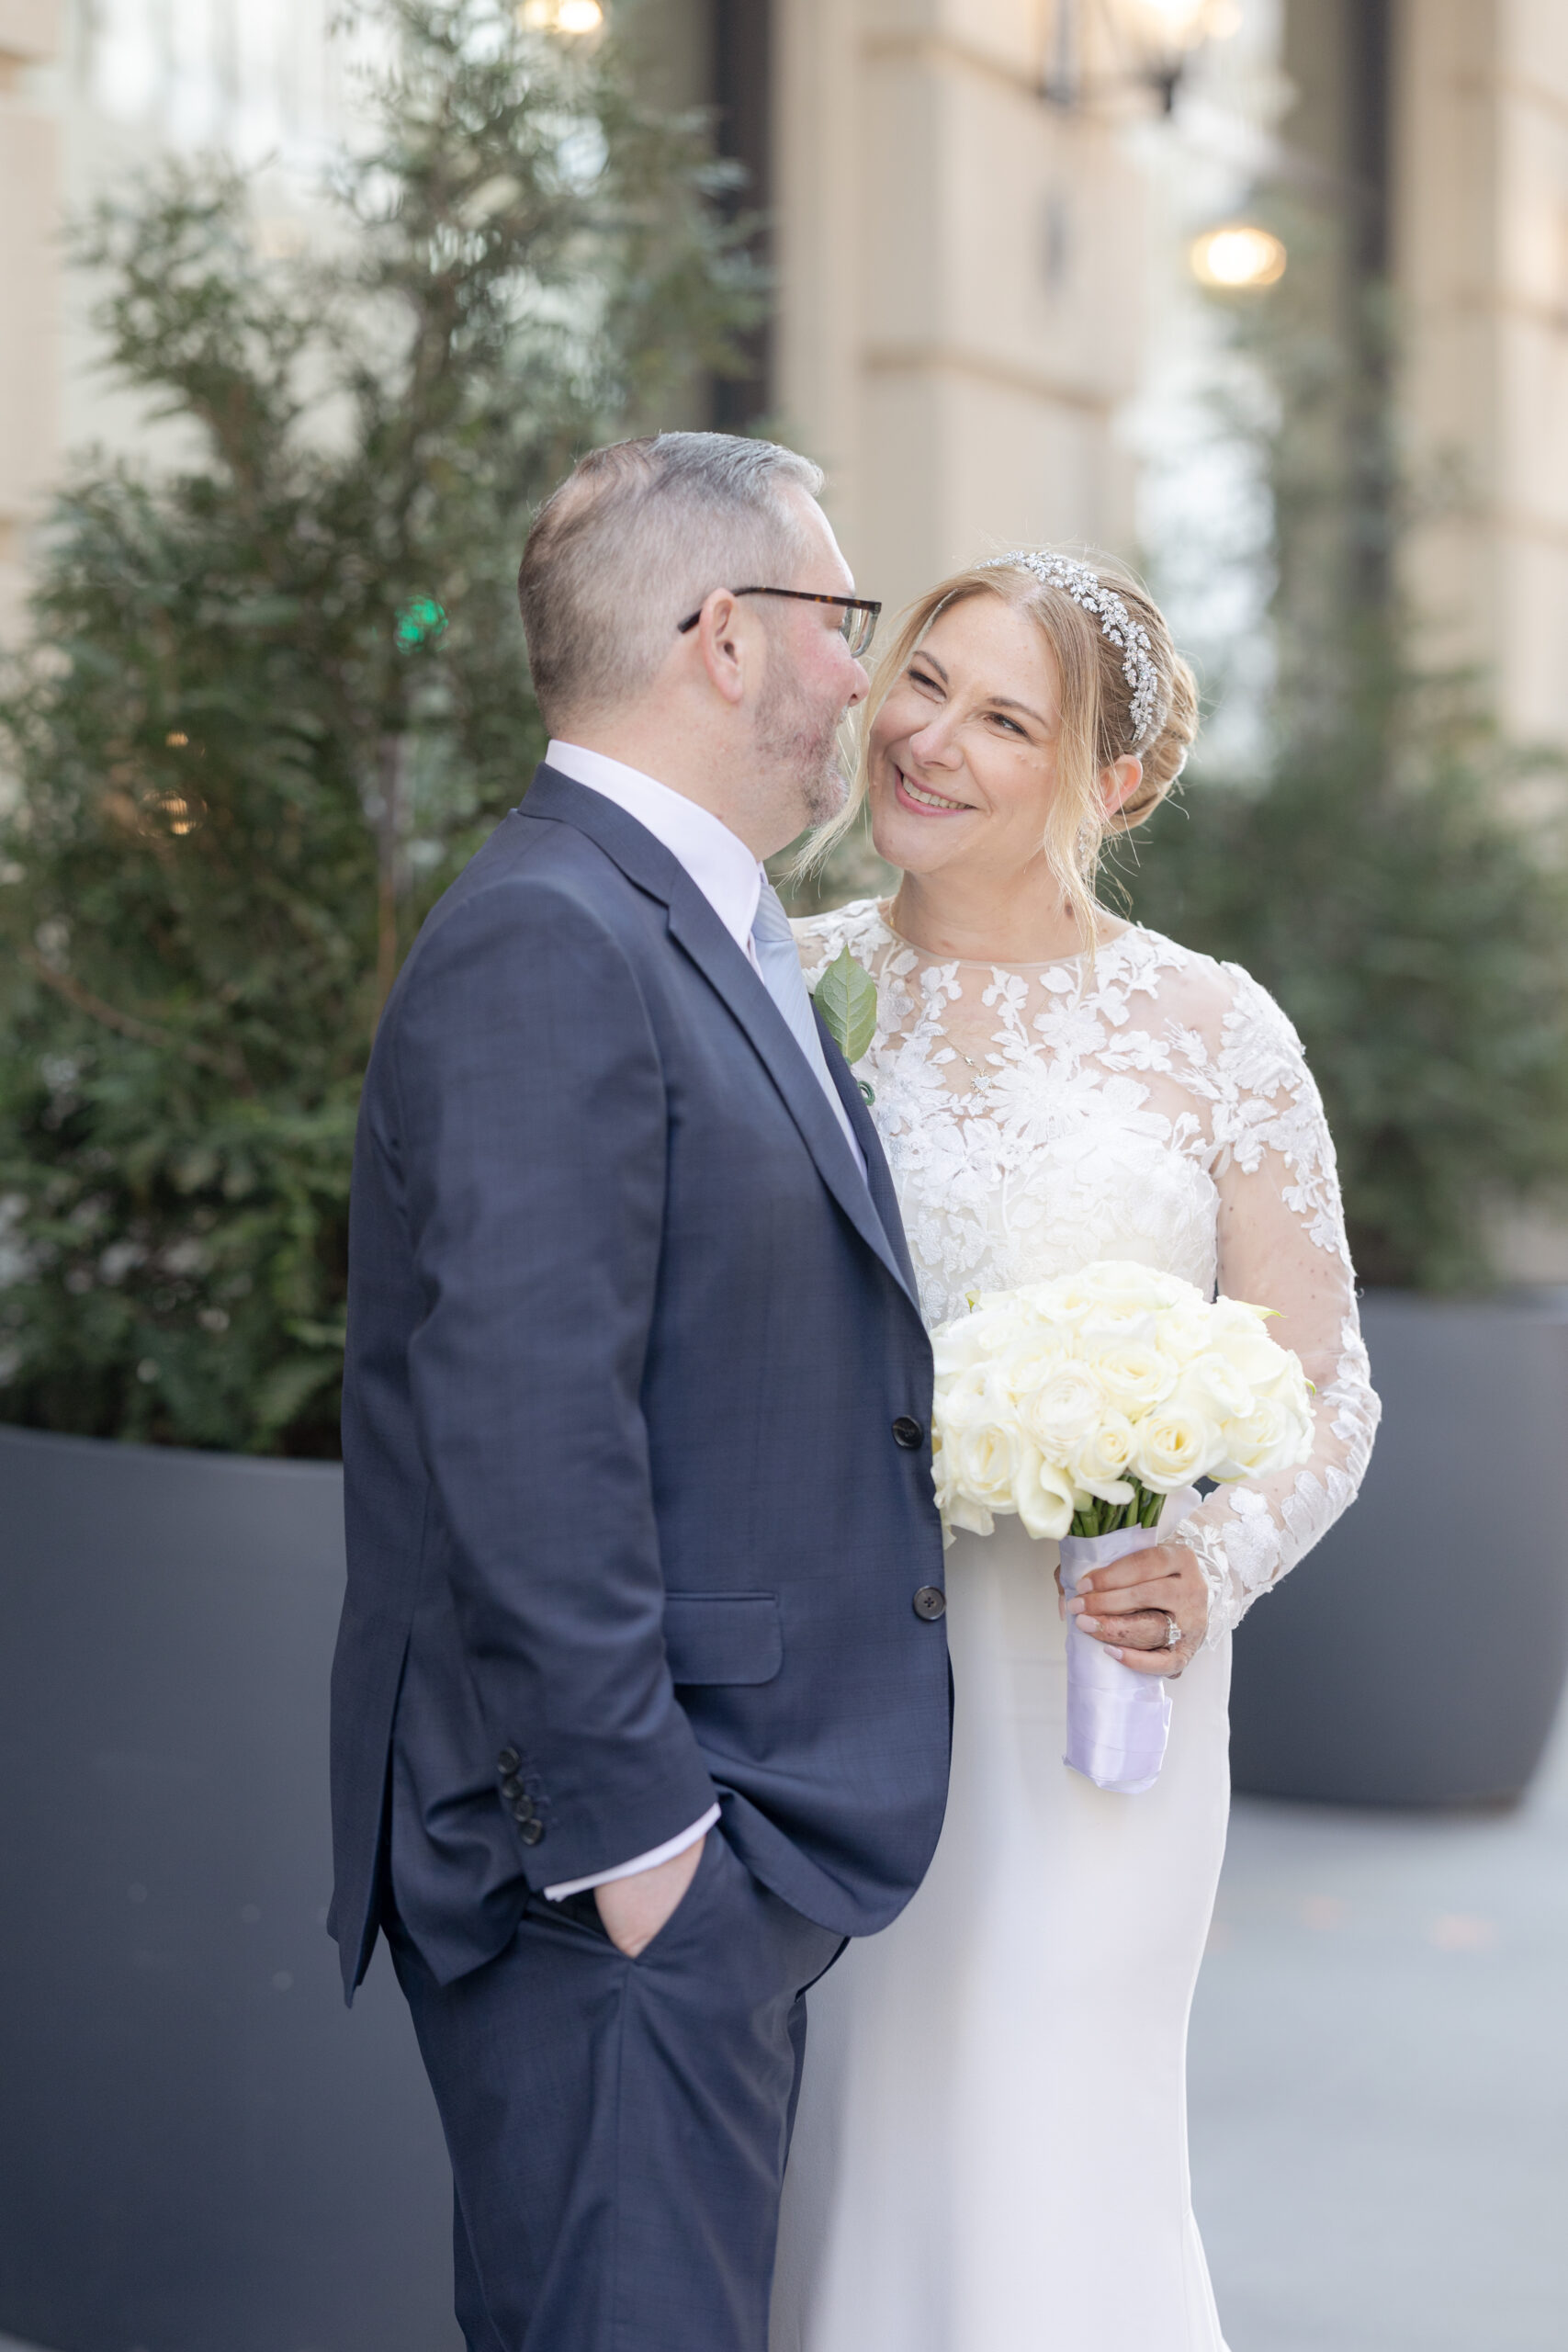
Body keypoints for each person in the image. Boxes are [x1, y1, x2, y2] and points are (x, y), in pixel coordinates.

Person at [328, 432, 953, 2352]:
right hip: (610, 1871)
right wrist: (644, 1861)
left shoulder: (682, 920)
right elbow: (524, 1425)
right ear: (725, 636)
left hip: (696, 1855)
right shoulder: (552, 933)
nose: (860, 675)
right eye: (841, 619)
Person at [771, 551, 1382, 2352]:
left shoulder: (1210, 1029)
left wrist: (1210, 1560)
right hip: (823, 1688)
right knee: (850, 2158)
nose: (927, 739)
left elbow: (1327, 1382)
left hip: (1090, 1696)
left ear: (1106, 783)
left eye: (1002, 719)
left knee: (1052, 2153)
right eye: (921, 681)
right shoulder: (784, 981)